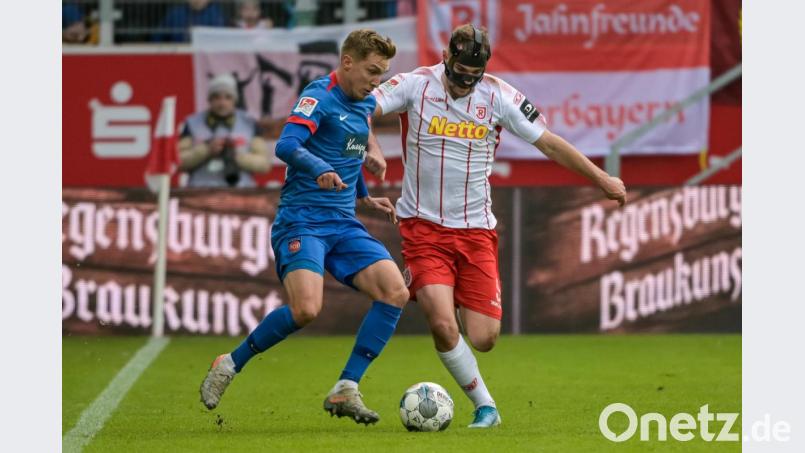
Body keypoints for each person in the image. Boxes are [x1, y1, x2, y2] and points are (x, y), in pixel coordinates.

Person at [367, 24, 627, 428]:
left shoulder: (501, 96)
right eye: (458, 75)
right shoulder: (415, 85)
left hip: (475, 232)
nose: (464, 84)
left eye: (473, 77)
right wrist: (372, 144)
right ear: (446, 58)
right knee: (441, 322)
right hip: (422, 227)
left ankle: (436, 287)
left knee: (484, 338)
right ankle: (486, 407)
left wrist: (603, 180)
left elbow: (550, 142)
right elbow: (363, 106)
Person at [200, 29, 409, 426]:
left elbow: (346, 151)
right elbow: (286, 145)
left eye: (381, 73)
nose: (376, 81)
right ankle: (229, 363)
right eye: (371, 70)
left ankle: (346, 387)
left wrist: (364, 195)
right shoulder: (319, 95)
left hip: (344, 223)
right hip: (302, 219)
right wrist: (320, 169)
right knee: (306, 309)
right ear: (347, 62)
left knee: (395, 291)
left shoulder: (364, 104)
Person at [178, 74, 271, 188]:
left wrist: (235, 155)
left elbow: (264, 164)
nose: (222, 103)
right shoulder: (192, 123)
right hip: (200, 192)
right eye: (216, 97)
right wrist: (206, 150)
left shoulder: (250, 123)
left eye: (228, 97)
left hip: (241, 193)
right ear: (209, 99)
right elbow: (178, 162)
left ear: (234, 100)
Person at [153, 0, 225, 43]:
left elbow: (220, 41)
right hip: (178, 55)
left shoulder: (216, 15)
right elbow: (157, 37)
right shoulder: (175, 14)